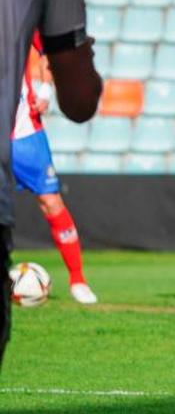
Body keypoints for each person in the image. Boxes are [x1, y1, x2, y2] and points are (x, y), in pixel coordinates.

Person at [0, 0, 103, 368]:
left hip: (22, 127)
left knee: (52, 203)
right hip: (8, 143)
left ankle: (78, 277)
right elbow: (82, 100)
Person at [11, 37, 97, 303]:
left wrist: (46, 90)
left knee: (51, 202)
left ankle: (78, 279)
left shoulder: (19, 9)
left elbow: (49, 51)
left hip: (24, 134)